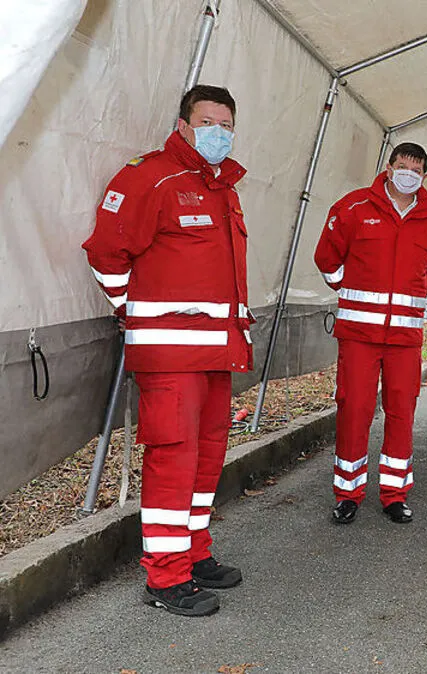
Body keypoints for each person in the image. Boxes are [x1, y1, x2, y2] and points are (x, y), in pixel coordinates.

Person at [83, 85, 251, 617]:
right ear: (183, 125)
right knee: (174, 461)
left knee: (204, 461)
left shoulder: (223, 187)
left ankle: (195, 554)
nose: (217, 133)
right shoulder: (150, 177)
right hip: (170, 355)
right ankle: (166, 575)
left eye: (226, 124)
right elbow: (107, 252)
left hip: (216, 353)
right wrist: (134, 311)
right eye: (207, 122)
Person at [314, 143, 427, 525]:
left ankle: (394, 494)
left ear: (424, 176)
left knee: (401, 412)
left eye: (416, 169)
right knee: (354, 410)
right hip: (358, 335)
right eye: (402, 165)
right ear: (389, 168)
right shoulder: (353, 208)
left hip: (405, 339)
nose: (408, 173)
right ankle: (348, 493)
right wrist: (351, 292)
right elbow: (327, 258)